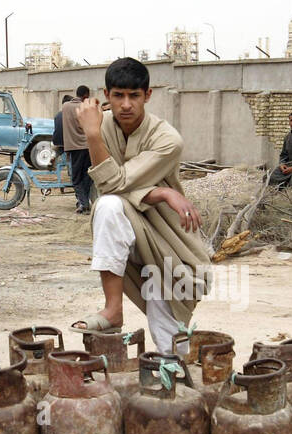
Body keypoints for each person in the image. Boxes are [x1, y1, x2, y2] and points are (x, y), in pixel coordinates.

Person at [71, 58, 209, 354]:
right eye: (118, 95)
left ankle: (178, 381)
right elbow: (108, 190)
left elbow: (114, 182)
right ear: (106, 95)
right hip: (126, 230)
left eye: (134, 95)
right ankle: (113, 310)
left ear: (148, 95)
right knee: (107, 207)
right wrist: (160, 192)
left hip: (166, 238)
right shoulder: (100, 126)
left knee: (170, 339)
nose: (126, 104)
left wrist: (92, 136)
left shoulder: (167, 140)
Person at [62, 85, 94, 214]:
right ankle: (84, 202)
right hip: (88, 146)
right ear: (86, 95)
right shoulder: (86, 108)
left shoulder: (65, 107)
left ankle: (83, 203)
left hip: (74, 147)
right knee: (88, 174)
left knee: (76, 178)